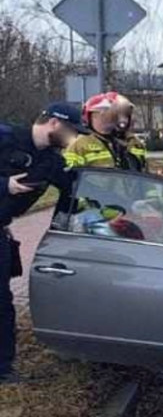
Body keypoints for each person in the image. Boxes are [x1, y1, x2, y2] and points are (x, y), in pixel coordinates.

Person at [1, 103, 87, 384]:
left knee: (2, 304)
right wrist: (4, 185)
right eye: (72, 130)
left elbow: (77, 189)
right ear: (54, 124)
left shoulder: (50, 161)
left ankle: (3, 370)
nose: (74, 137)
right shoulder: (6, 137)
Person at [63, 94, 118, 169]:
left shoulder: (123, 144)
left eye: (111, 114)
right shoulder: (79, 144)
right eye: (101, 114)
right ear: (89, 117)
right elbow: (71, 171)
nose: (107, 118)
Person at [108, 93, 148, 172]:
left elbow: (144, 169)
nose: (122, 120)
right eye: (117, 115)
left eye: (125, 116)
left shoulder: (137, 143)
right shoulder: (93, 142)